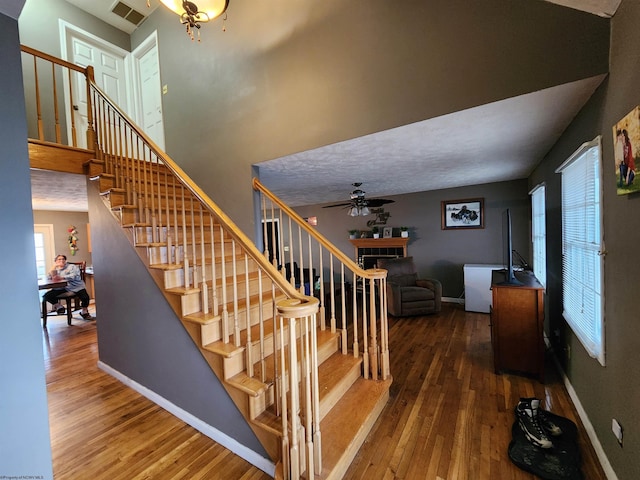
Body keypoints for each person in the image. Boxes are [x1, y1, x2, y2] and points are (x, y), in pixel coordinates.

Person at [43, 254, 93, 320]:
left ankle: (84, 311)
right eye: (59, 259)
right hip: (62, 288)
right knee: (46, 296)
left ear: (65, 260)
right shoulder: (55, 270)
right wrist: (53, 268)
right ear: (55, 261)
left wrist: (62, 277)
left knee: (85, 297)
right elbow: (48, 278)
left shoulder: (72, 267)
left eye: (63, 259)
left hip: (75, 286)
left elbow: (74, 276)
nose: (61, 260)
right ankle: (59, 307)